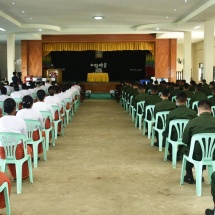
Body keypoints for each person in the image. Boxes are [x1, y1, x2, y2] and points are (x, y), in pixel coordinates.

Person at [182, 100, 215, 184]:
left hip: (196, 154)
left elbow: (185, 140)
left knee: (187, 148)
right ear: (211, 110)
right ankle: (200, 175)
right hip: (213, 154)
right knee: (205, 148)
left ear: (198, 109)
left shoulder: (192, 122)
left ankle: (189, 175)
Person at [0, 98, 32, 180]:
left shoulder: (0, 121)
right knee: (28, 149)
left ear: (3, 109)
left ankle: (14, 175)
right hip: (17, 152)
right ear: (15, 108)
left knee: (10, 150)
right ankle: (23, 175)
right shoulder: (20, 120)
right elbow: (25, 138)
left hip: (2, 153)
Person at [163, 92, 197, 161]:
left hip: (175, 136)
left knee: (166, 134)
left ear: (177, 100)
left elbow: (167, 127)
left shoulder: (172, 113)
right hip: (188, 136)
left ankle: (172, 154)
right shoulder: (193, 112)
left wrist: (165, 133)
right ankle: (181, 153)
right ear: (187, 100)